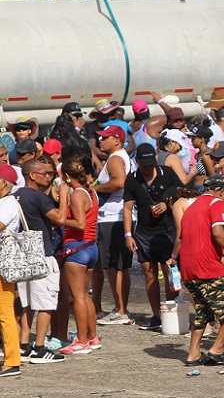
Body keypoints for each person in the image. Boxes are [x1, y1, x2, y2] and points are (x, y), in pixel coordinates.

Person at [180, 175, 224, 366]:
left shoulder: (191, 208)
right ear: (222, 191)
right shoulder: (216, 203)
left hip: (187, 266)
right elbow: (218, 232)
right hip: (206, 264)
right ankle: (217, 348)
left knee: (203, 310)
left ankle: (193, 353)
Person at [123, 143, 183, 331]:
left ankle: (170, 312)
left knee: (170, 273)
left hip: (166, 231)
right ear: (137, 162)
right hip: (144, 233)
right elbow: (127, 207)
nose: (148, 168)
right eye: (144, 165)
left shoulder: (167, 173)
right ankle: (157, 315)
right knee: (149, 274)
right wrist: (128, 234)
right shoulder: (132, 179)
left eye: (151, 164)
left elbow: (181, 193)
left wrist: (167, 204)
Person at [15, 158, 68, 363]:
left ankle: (24, 344)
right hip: (42, 255)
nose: (49, 176)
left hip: (24, 255)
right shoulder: (38, 197)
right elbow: (61, 219)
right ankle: (39, 348)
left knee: (28, 303)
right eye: (45, 173)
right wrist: (63, 197)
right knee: (45, 303)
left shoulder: (15, 196)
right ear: (32, 175)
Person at [57, 153, 102, 355]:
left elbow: (79, 223)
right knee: (85, 296)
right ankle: (92, 337)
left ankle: (82, 341)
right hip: (90, 247)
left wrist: (58, 218)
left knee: (79, 297)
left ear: (67, 176)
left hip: (77, 247)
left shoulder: (76, 195)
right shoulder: (90, 191)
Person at [94, 125, 134, 324]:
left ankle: (120, 310)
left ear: (117, 140)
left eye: (105, 138)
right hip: (119, 217)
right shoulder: (121, 157)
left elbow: (119, 182)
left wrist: (95, 189)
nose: (101, 141)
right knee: (119, 266)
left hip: (112, 217)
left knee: (113, 267)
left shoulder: (116, 158)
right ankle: (121, 308)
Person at [0, 164, 22, 377]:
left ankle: (12, 361)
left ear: (3, 183)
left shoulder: (8, 204)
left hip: (3, 266)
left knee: (5, 312)